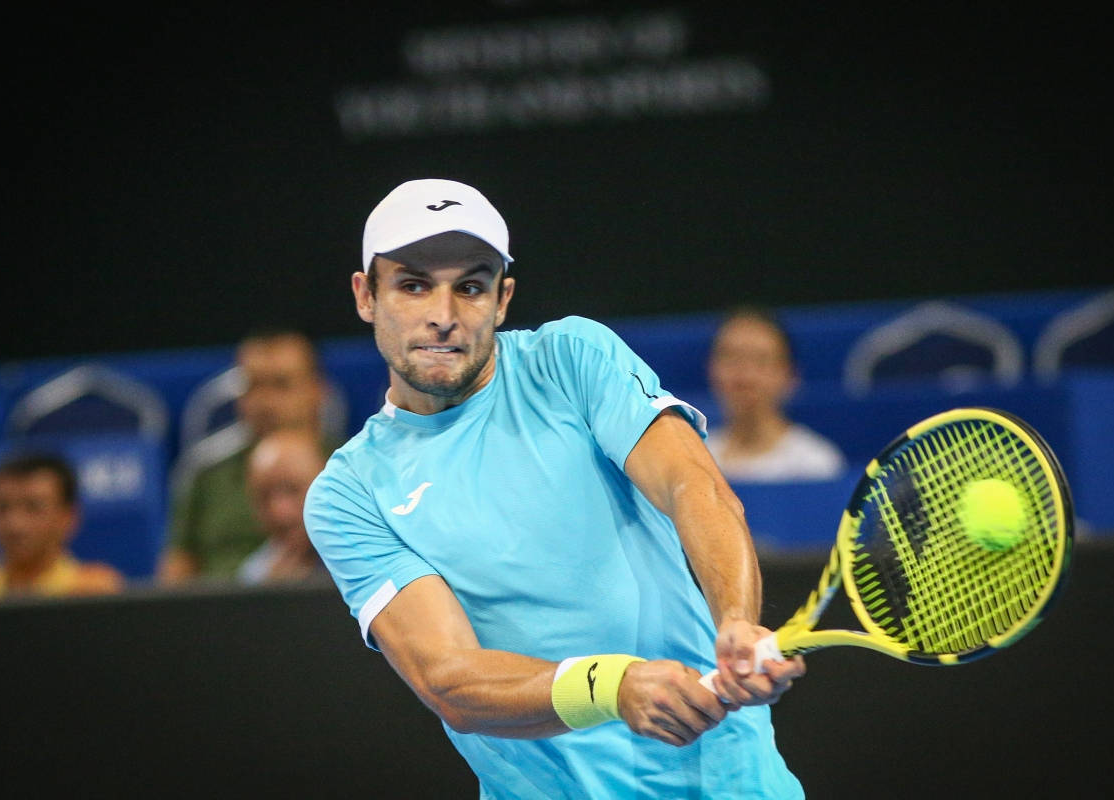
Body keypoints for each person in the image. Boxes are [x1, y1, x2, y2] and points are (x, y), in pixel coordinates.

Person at [304, 178, 806, 798]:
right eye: (413, 285)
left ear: (503, 298)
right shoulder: (349, 493)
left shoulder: (571, 358)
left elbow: (693, 486)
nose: (444, 314)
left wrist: (737, 620)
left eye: (470, 286)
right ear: (366, 295)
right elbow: (450, 678)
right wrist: (612, 687)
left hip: (731, 784)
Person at [159, 329, 335, 584]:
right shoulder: (206, 472)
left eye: (281, 385)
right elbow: (174, 579)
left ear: (318, 390)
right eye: (254, 386)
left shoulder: (354, 466)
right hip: (223, 614)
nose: (266, 402)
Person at [704, 306, 847, 482]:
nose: (745, 377)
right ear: (711, 369)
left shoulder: (816, 464)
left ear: (790, 375)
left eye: (761, 361)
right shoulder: (693, 457)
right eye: (732, 358)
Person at [0, 452, 124, 601]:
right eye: (3, 507)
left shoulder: (95, 592)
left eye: (33, 507)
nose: (15, 524)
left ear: (68, 517)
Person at [237, 428, 331, 586]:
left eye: (293, 490)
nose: (280, 512)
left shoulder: (375, 558)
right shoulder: (255, 577)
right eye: (264, 496)